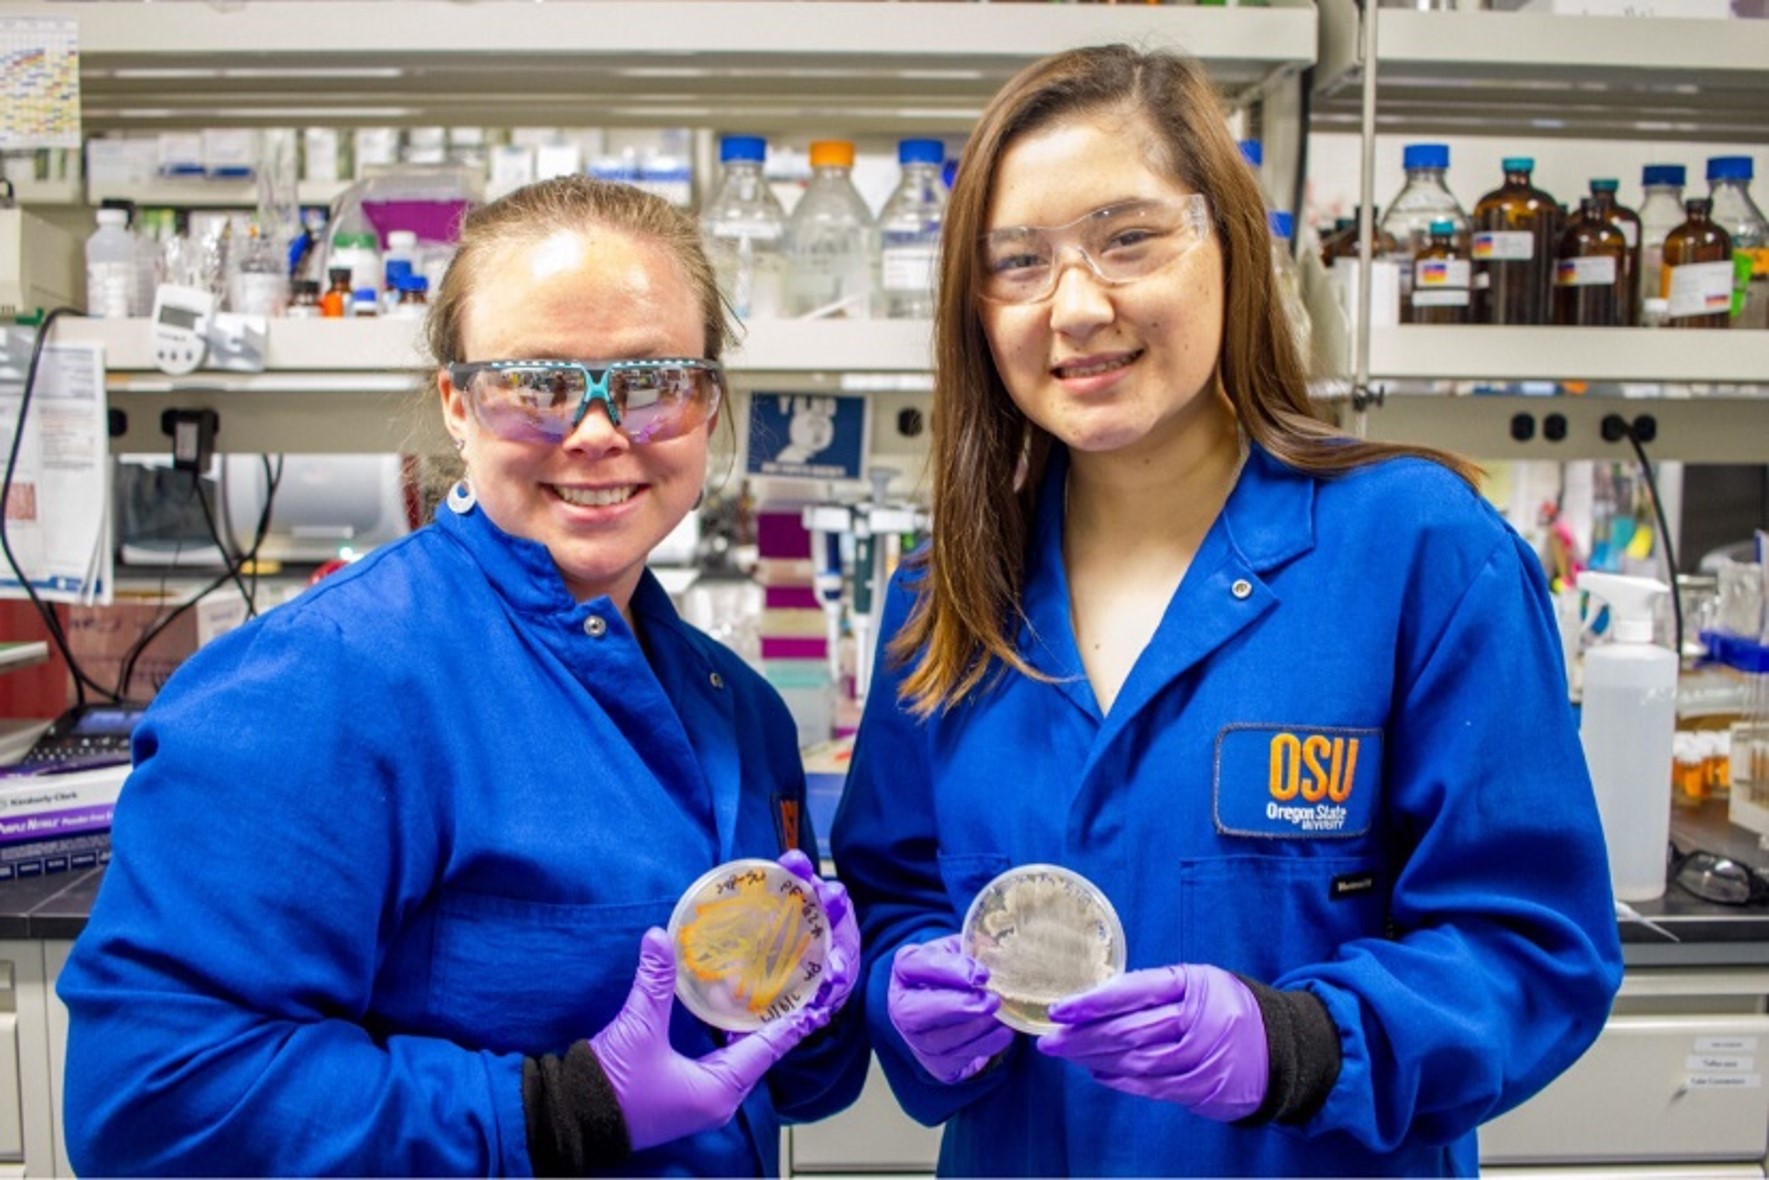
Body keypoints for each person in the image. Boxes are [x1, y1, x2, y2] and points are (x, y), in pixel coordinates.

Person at [830, 44, 1623, 1177]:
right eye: (1017, 263)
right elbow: (895, 892)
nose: (1076, 305)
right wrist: (905, 997)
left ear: (1228, 245)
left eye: (1127, 238)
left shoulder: (1419, 551)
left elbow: (1533, 944)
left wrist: (1296, 1043)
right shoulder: (945, 591)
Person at [58, 176, 868, 1176]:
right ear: (456, 402)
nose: (599, 431)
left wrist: (820, 1015)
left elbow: (760, 1082)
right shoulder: (324, 682)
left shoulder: (735, 707)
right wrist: (560, 1111)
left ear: (706, 404)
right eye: (537, 383)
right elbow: (153, 1099)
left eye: (653, 379)